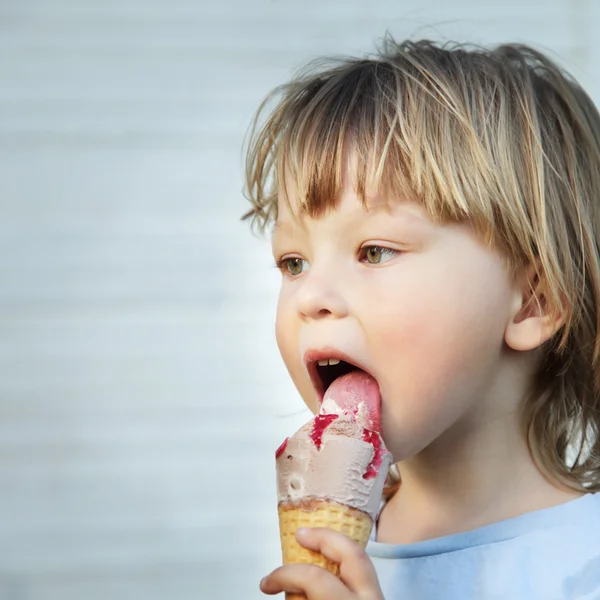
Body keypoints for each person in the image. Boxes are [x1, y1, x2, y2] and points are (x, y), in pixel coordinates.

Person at [242, 37, 600, 599]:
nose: (311, 296)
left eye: (375, 251)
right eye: (294, 262)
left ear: (533, 302)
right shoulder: (338, 546)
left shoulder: (585, 565)